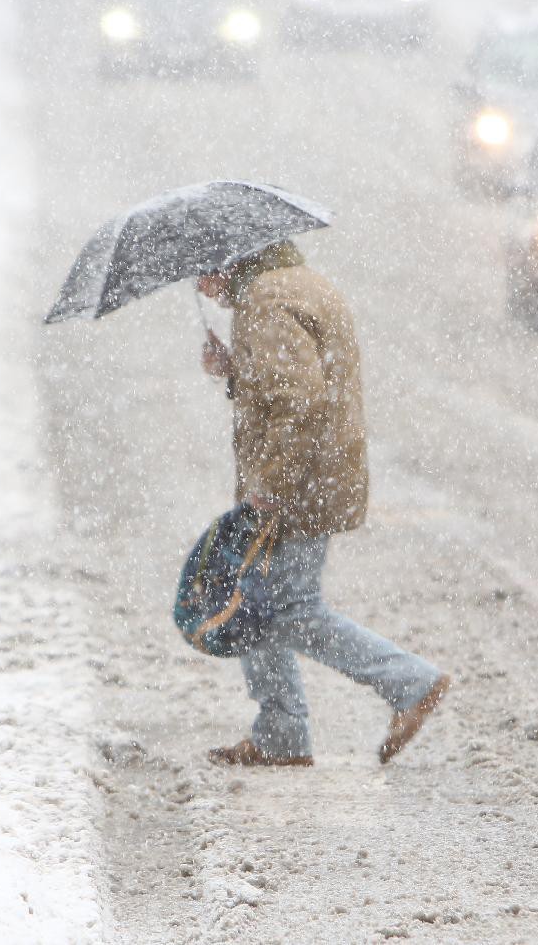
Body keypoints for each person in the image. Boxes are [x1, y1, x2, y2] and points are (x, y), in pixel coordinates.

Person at [196, 239, 450, 767]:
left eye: (203, 273)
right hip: (319, 472)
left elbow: (298, 401)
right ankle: (280, 735)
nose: (202, 287)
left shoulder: (264, 302)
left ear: (228, 259)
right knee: (255, 599)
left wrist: (269, 486)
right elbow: (294, 384)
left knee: (285, 612)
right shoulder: (295, 284)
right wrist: (236, 370)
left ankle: (409, 681)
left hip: (297, 484)